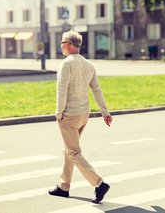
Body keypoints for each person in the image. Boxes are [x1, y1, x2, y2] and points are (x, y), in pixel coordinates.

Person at [48, 30, 113, 203]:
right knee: (68, 150)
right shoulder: (88, 65)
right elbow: (97, 90)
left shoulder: (66, 64)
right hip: (83, 115)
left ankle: (99, 183)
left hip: (69, 115)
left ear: (69, 44)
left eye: (62, 42)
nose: (61, 45)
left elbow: (62, 90)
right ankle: (64, 187)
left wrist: (59, 112)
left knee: (74, 152)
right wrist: (105, 112)